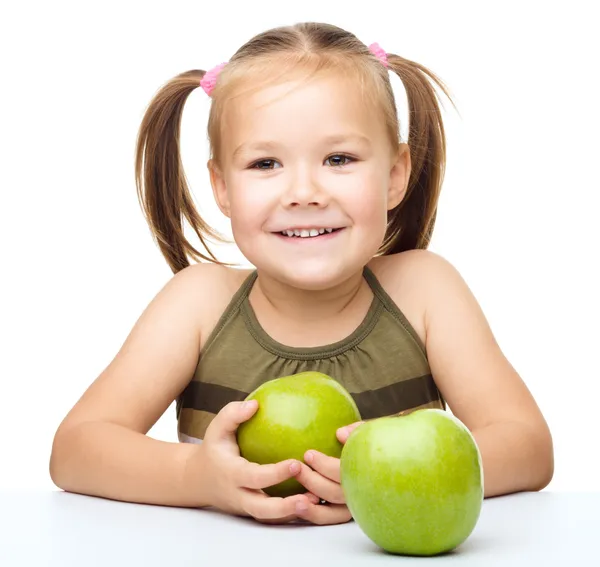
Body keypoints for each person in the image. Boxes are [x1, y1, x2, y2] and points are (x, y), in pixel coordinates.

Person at [49, 21, 554, 526]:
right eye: (266, 163)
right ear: (222, 187)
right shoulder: (199, 304)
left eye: (339, 158)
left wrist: (386, 474)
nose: (304, 192)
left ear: (396, 175)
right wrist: (196, 476)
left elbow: (528, 446)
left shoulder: (424, 293)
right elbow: (75, 449)